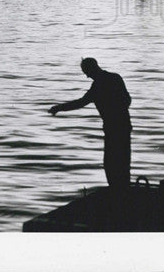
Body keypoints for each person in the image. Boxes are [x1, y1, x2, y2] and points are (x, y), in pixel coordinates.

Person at [49, 57, 132, 189]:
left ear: (92, 69)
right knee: (123, 161)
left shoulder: (97, 86)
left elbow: (80, 103)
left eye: (86, 72)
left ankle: (118, 192)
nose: (87, 76)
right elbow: (127, 100)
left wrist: (59, 108)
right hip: (124, 125)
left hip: (113, 128)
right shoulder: (115, 78)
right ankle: (123, 189)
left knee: (111, 163)